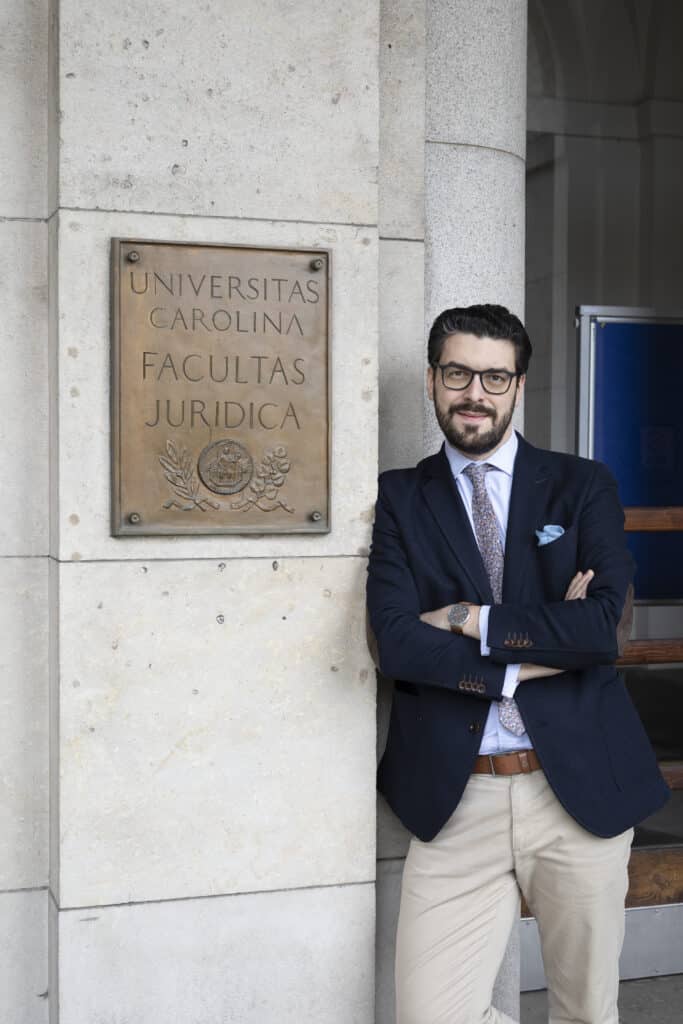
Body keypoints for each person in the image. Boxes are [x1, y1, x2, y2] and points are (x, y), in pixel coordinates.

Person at [366, 304, 669, 1024]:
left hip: (576, 794)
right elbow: (396, 642)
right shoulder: (400, 497)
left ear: (518, 386)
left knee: (585, 1011)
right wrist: (528, 657)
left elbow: (598, 630)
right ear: (433, 380)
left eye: (494, 377)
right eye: (457, 374)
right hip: (456, 797)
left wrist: (465, 618)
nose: (475, 393)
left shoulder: (580, 485)